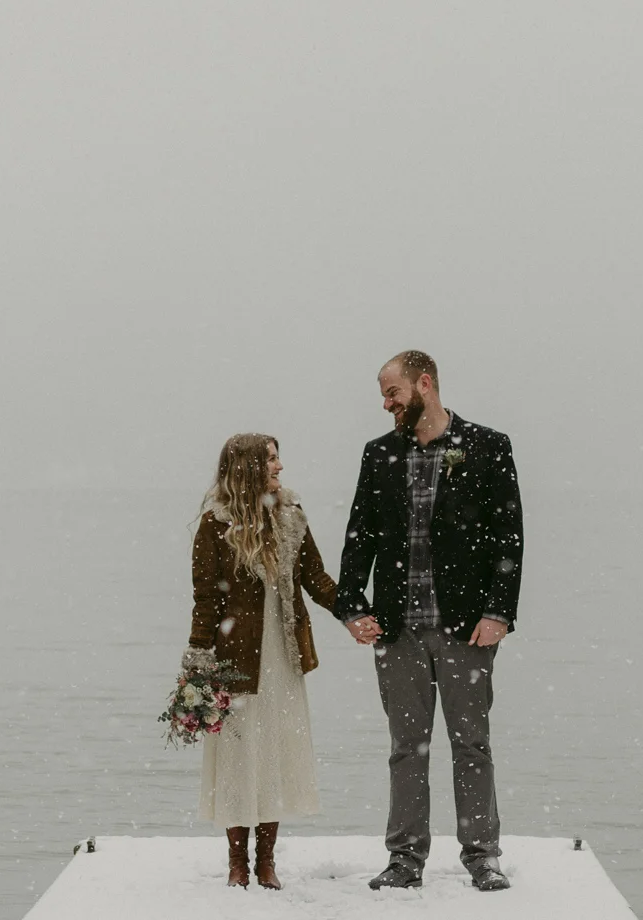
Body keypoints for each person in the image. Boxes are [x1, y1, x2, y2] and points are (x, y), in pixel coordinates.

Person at [336, 350, 524, 892]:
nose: (386, 404)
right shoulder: (379, 455)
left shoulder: (488, 446)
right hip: (397, 628)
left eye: (392, 392)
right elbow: (360, 534)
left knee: (472, 743)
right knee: (406, 747)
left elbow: (509, 535)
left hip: (467, 626)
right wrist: (352, 606)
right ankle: (405, 859)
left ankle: (483, 855)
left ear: (425, 383)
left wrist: (499, 611)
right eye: (383, 395)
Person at [184, 433, 340, 889]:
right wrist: (197, 663)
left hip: (284, 656)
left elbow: (316, 578)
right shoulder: (215, 524)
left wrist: (357, 611)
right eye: (272, 459)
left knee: (273, 753)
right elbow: (205, 600)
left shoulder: (290, 515)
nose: (280, 466)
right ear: (250, 466)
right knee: (237, 756)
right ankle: (237, 863)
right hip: (236, 659)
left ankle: (266, 861)